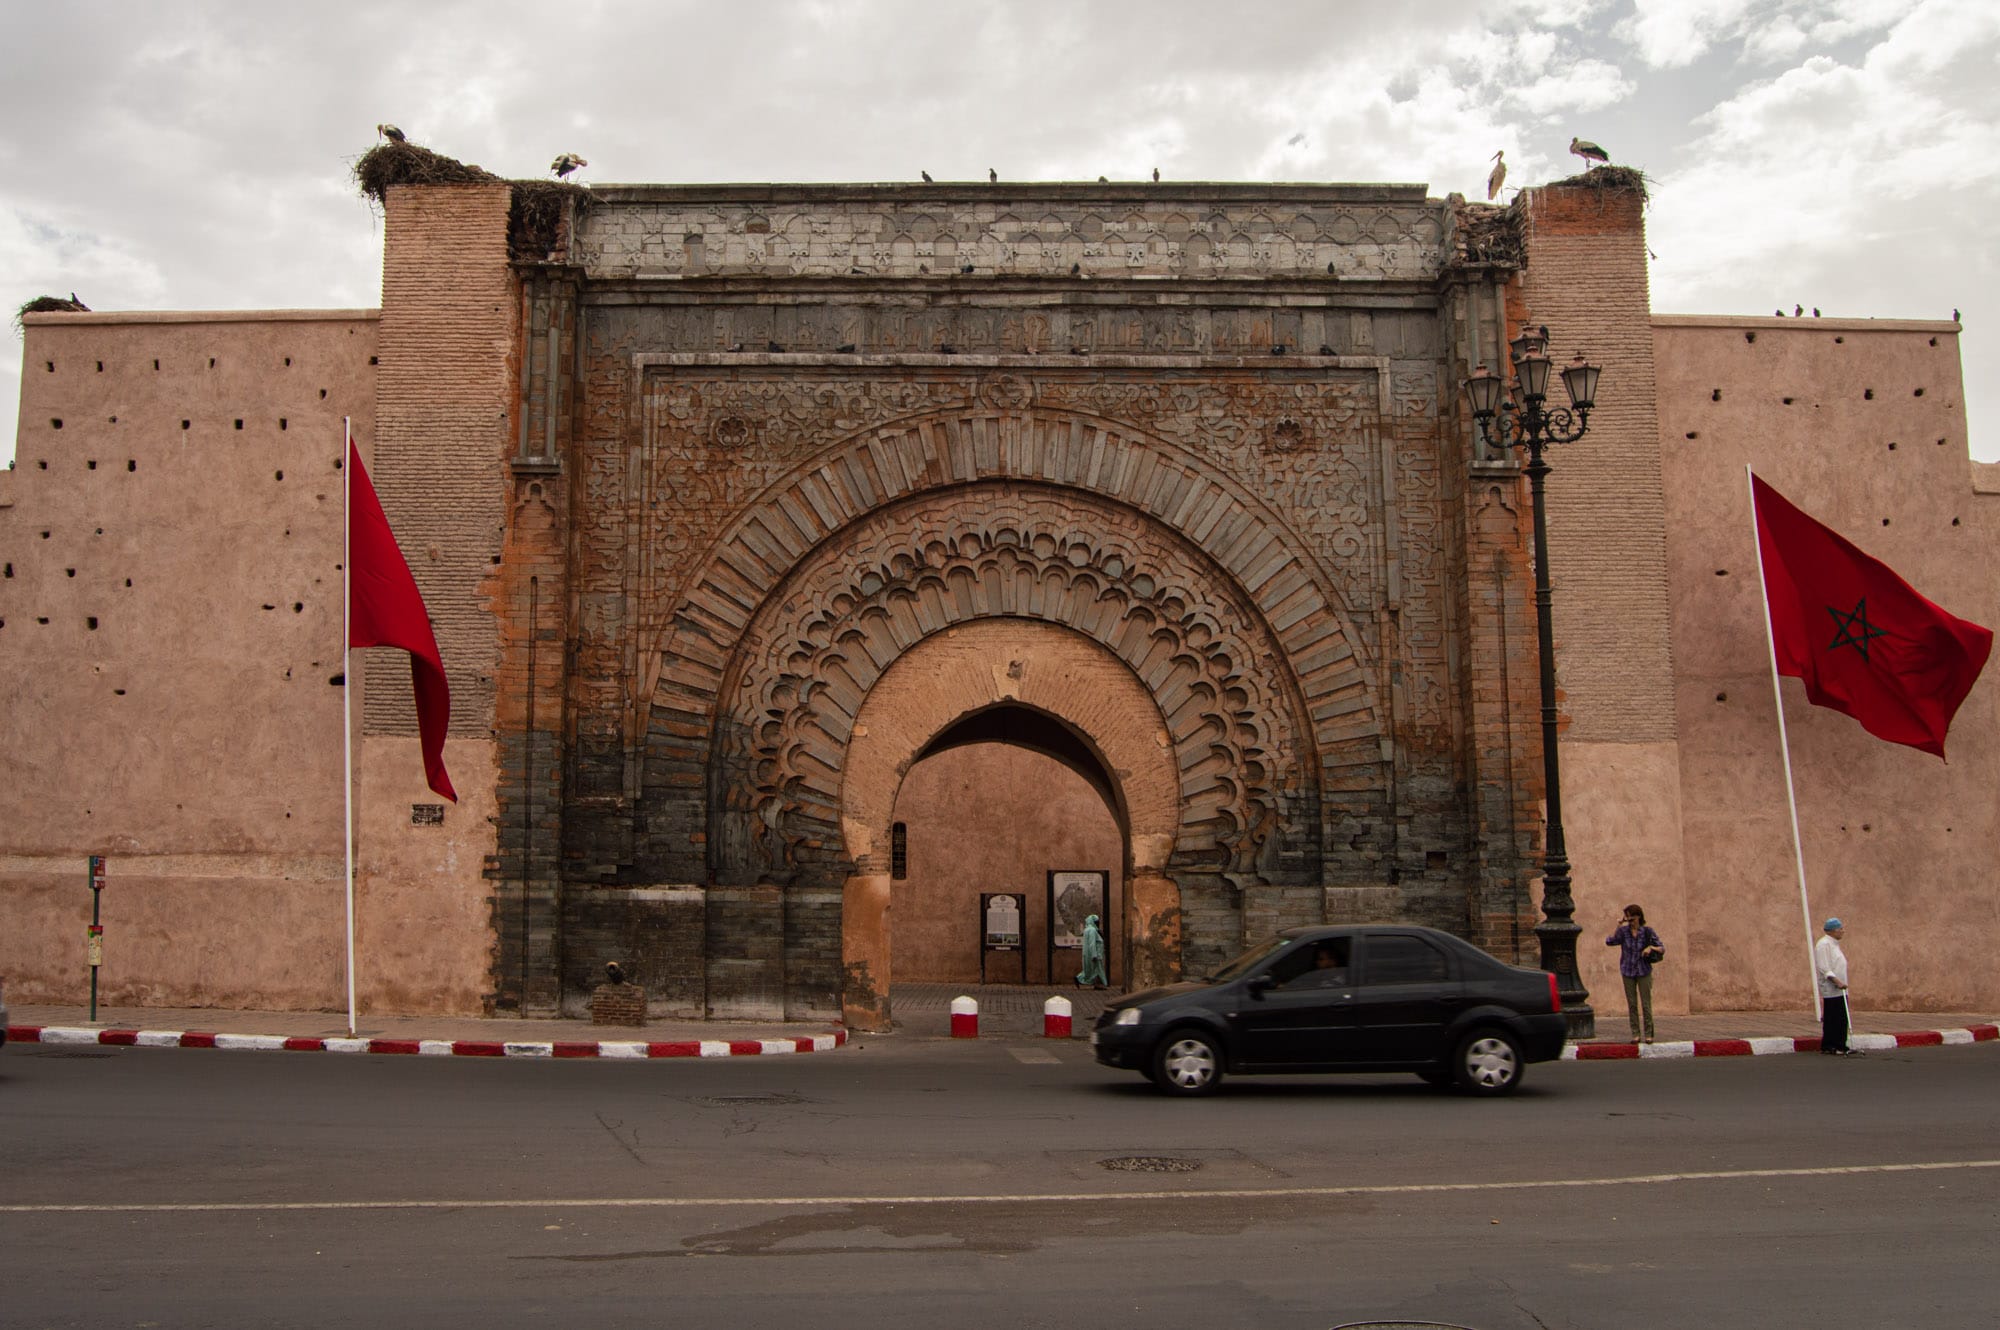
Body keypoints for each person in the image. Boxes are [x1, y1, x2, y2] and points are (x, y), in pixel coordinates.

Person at [1606, 904, 1665, 1043]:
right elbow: (1610, 941)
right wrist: (1618, 926)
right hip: (1627, 970)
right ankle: (1635, 1034)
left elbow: (1662, 948)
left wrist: (1650, 948)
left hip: (1643, 970)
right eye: (1627, 918)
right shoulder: (1624, 932)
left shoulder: (1647, 931)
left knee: (1646, 1004)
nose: (1630, 921)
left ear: (1638, 916)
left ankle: (1649, 1034)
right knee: (1632, 1004)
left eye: (1632, 918)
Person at [1815, 917, 1854, 1056]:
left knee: (1842, 1017)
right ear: (1831, 931)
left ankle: (1841, 1044)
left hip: (1841, 988)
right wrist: (1837, 981)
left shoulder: (1834, 944)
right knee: (1833, 1016)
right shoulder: (1823, 944)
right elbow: (1824, 967)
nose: (1843, 931)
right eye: (1840, 929)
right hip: (1831, 987)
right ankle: (1829, 1045)